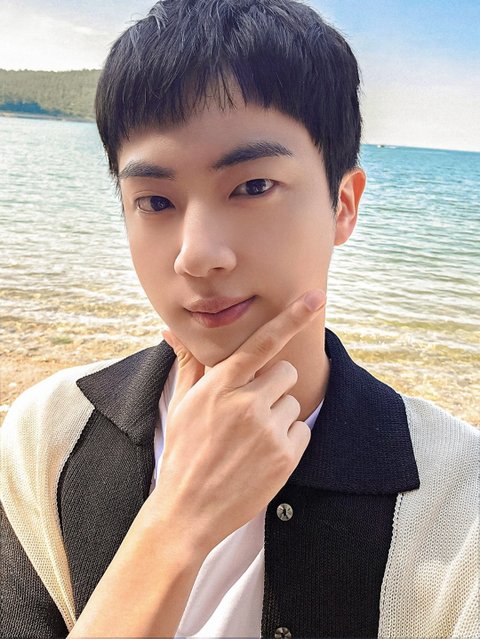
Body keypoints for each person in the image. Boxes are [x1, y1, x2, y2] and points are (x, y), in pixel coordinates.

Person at [1, 1, 478, 637]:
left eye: (252, 187)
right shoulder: (50, 432)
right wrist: (177, 522)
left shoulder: (458, 501)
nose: (196, 255)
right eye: (155, 201)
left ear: (343, 204)